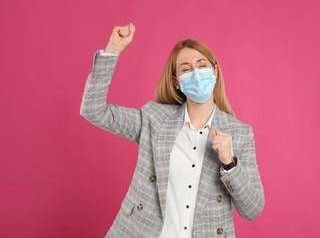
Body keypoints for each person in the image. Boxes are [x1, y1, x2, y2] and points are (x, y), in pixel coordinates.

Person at [80, 23, 265, 238]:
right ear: (177, 83)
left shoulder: (240, 133)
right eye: (186, 69)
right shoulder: (154, 119)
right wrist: (112, 51)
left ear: (215, 71)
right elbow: (93, 110)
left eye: (202, 65)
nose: (196, 73)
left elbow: (253, 209)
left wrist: (230, 164)